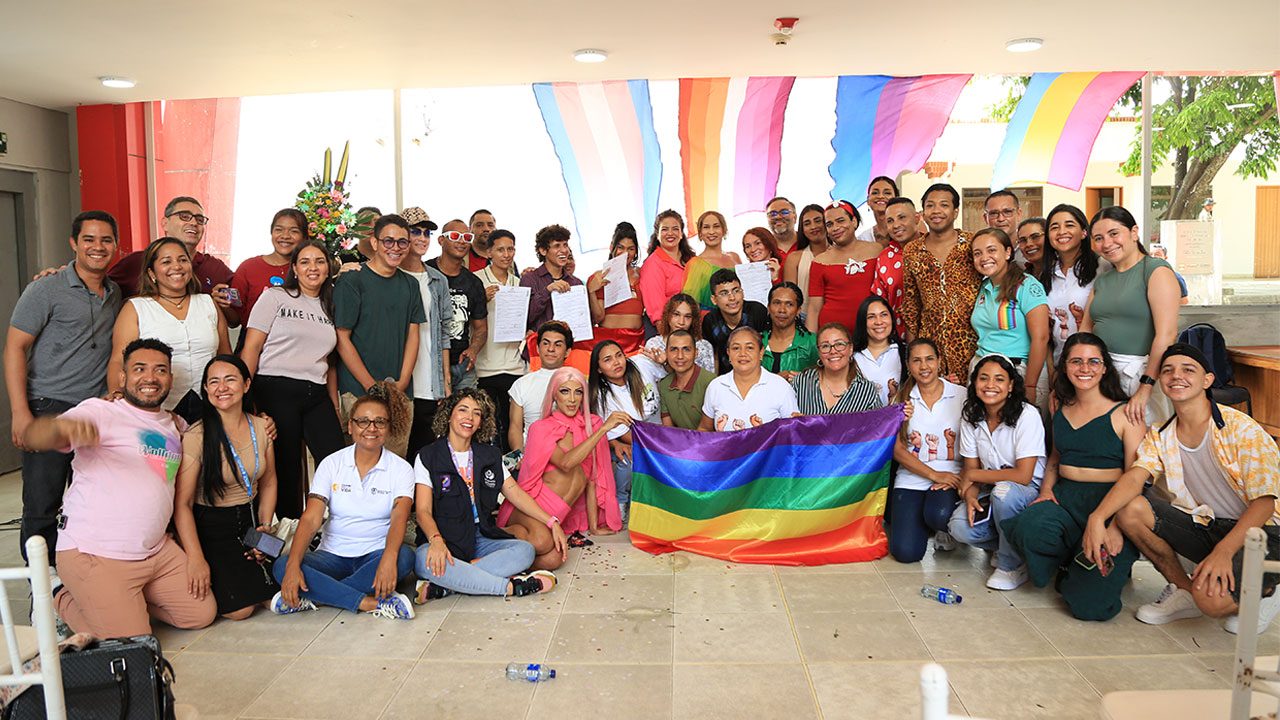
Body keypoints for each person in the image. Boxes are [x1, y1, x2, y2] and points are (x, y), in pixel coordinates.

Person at [24, 338, 216, 638]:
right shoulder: (100, 412)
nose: (150, 378)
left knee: (200, 613)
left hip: (155, 551)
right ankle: (58, 594)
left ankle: (122, 603)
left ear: (170, 379)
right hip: (96, 553)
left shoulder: (175, 423)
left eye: (160, 370)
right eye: (140, 369)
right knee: (134, 642)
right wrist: (60, 429)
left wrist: (263, 423)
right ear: (123, 377)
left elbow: (218, 433)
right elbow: (38, 436)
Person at [1082, 343, 1280, 635]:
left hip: (1264, 533)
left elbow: (1264, 503)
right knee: (1130, 509)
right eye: (1168, 370)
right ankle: (1185, 590)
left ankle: (1269, 591)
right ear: (1160, 381)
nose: (1177, 376)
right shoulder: (1160, 433)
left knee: (1212, 602)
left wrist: (1224, 552)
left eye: (1189, 369)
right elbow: (1136, 476)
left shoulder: (1241, 428)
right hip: (1208, 524)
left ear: (1207, 380)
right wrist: (1098, 517)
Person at [6, 211, 123, 563]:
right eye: (89, 239)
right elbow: (14, 348)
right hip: (48, 407)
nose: (97, 247)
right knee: (43, 505)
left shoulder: (115, 292)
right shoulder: (46, 288)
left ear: (116, 245)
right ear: (74, 243)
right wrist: (20, 413)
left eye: (106, 240)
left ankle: (78, 586)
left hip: (94, 413)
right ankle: (40, 594)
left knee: (91, 505)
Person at [1003, 333, 1145, 621]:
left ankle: (1084, 574)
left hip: (1109, 503)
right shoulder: (1060, 407)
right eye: (1076, 361)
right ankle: (1069, 561)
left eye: (1094, 361)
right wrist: (1045, 492)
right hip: (1067, 498)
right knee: (1029, 525)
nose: (1085, 368)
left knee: (1089, 608)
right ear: (1065, 366)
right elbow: (1055, 457)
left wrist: (1117, 525)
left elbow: (1136, 478)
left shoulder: (1126, 413)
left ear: (1105, 367)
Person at [271, 386, 417, 619]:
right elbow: (311, 518)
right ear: (350, 426)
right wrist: (292, 567)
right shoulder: (332, 463)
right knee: (282, 565)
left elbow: (400, 517)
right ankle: (370, 603)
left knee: (405, 558)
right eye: (363, 421)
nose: (371, 428)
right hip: (332, 555)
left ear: (388, 429)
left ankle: (316, 595)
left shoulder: (401, 469)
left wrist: (389, 558)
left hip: (375, 553)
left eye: (380, 422)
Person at [413, 389, 562, 601]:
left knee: (525, 551)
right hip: (444, 537)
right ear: (448, 415)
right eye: (463, 410)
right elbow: (423, 511)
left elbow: (516, 494)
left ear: (481, 422)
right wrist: (436, 540)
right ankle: (511, 587)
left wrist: (551, 521)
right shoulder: (428, 456)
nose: (469, 418)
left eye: (476, 413)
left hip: (480, 537)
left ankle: (450, 584)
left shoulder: (489, 455)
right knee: (421, 559)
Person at [241, 240, 345, 519]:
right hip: (275, 388)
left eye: (319, 261)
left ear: (328, 268)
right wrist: (243, 395)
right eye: (305, 261)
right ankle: (288, 535)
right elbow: (251, 347)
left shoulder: (332, 303)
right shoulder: (275, 297)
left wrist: (334, 404)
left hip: (317, 392)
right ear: (295, 269)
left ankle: (334, 528)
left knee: (335, 460)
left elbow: (331, 361)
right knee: (287, 468)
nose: (313, 267)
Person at [173, 356, 279, 620]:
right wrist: (196, 558)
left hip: (250, 521)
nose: (222, 387)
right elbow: (182, 505)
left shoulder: (262, 427)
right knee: (240, 611)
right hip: (211, 527)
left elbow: (269, 481)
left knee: (273, 595)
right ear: (206, 390)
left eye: (230, 379)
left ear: (246, 385)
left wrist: (264, 527)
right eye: (214, 382)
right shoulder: (197, 436)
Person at [499, 367, 630, 564]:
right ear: (554, 395)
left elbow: (592, 480)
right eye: (564, 391)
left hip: (558, 513)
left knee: (554, 559)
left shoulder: (592, 425)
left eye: (578, 392)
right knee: (541, 542)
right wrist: (603, 429)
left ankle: (507, 566)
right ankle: (489, 539)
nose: (572, 399)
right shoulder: (542, 428)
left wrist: (593, 526)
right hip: (533, 507)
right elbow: (566, 463)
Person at [946, 354, 1046, 590]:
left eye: (999, 379)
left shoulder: (1027, 415)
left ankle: (1012, 565)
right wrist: (970, 495)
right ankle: (1005, 547)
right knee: (959, 526)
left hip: (1027, 492)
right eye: (983, 378)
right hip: (992, 489)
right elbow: (971, 469)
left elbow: (1023, 476)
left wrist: (972, 477)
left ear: (1011, 385)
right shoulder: (971, 415)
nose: (990, 385)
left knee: (1004, 492)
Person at [109, 237, 231, 423]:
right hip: (156, 409)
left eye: (182, 260)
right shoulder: (136, 308)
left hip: (211, 407)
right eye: (166, 261)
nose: (177, 267)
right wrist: (117, 399)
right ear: (152, 273)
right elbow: (119, 359)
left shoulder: (208, 303)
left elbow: (225, 357)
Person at [333, 214, 426, 458]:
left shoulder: (410, 285)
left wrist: (403, 382)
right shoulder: (352, 281)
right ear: (374, 243)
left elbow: (413, 335)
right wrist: (370, 386)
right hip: (357, 390)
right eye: (388, 241)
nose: (396, 248)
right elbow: (342, 339)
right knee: (357, 468)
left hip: (399, 394)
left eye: (402, 242)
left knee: (394, 465)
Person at [1081, 205, 1180, 426]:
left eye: (1114, 233)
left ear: (1134, 233)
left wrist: (1146, 387)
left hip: (1142, 375)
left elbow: (1166, 335)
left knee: (1145, 447)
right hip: (1102, 376)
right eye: (1098, 238)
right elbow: (1085, 332)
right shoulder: (1103, 279)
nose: (1107, 243)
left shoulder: (1156, 271)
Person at [887, 339, 964, 563]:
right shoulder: (901, 400)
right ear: (908, 364)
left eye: (929, 359)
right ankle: (921, 521)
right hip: (911, 477)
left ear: (940, 361)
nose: (924, 366)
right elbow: (898, 450)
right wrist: (934, 475)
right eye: (916, 360)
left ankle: (943, 527)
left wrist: (956, 478)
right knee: (905, 553)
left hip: (951, 475)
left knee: (939, 515)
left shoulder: (961, 395)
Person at [900, 184, 980, 380]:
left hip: (972, 349)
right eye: (930, 205)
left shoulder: (972, 244)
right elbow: (911, 305)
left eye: (943, 205)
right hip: (930, 353)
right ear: (923, 213)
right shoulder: (912, 251)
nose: (936, 211)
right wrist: (913, 355)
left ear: (955, 212)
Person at [969, 228, 1050, 403]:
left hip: (1020, 372)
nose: (984, 257)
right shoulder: (983, 288)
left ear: (1007, 252)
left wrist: (1030, 385)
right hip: (983, 371)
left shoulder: (1027, 286)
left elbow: (1041, 338)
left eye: (991, 250)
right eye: (977, 253)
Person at [105, 196, 235, 305]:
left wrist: (220, 304)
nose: (194, 222)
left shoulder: (215, 268)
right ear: (164, 223)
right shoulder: (134, 262)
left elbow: (236, 318)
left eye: (200, 220)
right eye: (184, 216)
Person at [399, 208, 453, 456]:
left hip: (429, 381)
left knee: (421, 454)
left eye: (426, 233)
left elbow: (444, 332)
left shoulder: (438, 280)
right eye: (415, 231)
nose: (422, 238)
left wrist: (445, 381)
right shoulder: (390, 274)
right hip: (399, 378)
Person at [588, 340, 660, 522]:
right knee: (627, 460)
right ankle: (621, 500)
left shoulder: (641, 364)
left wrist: (663, 361)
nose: (616, 362)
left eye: (619, 355)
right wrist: (655, 448)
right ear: (598, 369)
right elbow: (624, 435)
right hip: (635, 440)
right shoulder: (602, 396)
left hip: (662, 433)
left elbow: (670, 373)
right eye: (608, 359)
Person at [806, 200, 902, 334]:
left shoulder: (876, 250)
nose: (835, 227)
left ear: (854, 222)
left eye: (840, 221)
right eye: (830, 224)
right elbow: (814, 309)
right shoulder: (820, 261)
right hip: (835, 339)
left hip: (875, 333)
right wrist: (811, 347)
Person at [1039, 204, 1099, 415]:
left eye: (1069, 225)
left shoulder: (1101, 269)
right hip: (1058, 364)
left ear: (1084, 232)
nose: (1061, 231)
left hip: (1090, 366)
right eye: (1054, 227)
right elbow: (1044, 328)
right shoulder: (1046, 275)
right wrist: (1052, 369)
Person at [475, 230, 525, 452]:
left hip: (514, 366)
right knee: (486, 427)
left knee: (511, 426)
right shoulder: (476, 280)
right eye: (500, 249)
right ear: (489, 252)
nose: (506, 254)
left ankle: (511, 472)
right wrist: (480, 299)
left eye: (510, 248)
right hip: (485, 367)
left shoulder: (520, 283)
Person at [427, 219, 488, 393]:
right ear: (441, 240)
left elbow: (481, 327)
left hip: (462, 366)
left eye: (467, 237)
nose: (462, 241)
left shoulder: (474, 283)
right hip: (430, 364)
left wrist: (473, 349)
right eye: (455, 236)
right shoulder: (426, 272)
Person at [700, 326, 799, 430]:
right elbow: (705, 430)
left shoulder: (781, 387)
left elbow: (793, 433)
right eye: (736, 348)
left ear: (761, 353)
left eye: (750, 348)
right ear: (728, 353)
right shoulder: (716, 386)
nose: (743, 354)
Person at [225, 208, 308, 328]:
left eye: (294, 231)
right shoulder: (248, 268)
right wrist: (223, 305)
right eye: (279, 230)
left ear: (304, 237)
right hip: (253, 342)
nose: (285, 236)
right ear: (271, 233)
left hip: (295, 343)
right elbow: (234, 321)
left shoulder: (309, 271)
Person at [790, 323, 882, 415]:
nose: (833, 351)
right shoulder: (801, 382)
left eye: (839, 344)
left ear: (850, 349)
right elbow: (786, 422)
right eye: (825, 346)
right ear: (819, 352)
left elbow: (879, 427)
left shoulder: (867, 392)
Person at [509, 322, 573, 452]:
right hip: (532, 455)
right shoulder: (521, 384)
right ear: (537, 348)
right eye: (545, 343)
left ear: (567, 351)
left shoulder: (578, 382)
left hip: (570, 455)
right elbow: (515, 427)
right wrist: (520, 455)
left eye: (558, 345)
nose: (551, 349)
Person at [585, 224, 645, 355]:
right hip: (607, 341)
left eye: (630, 249)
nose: (625, 253)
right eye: (620, 248)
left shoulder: (643, 274)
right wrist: (591, 291)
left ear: (636, 252)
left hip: (636, 342)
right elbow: (598, 318)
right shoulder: (599, 277)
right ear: (612, 247)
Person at [702, 269, 770, 375]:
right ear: (714, 300)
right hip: (726, 378)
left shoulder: (757, 312)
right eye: (724, 293)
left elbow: (768, 347)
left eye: (736, 291)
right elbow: (713, 355)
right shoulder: (710, 320)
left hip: (757, 374)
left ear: (742, 292)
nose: (732, 298)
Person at [521, 224, 582, 332]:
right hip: (538, 345)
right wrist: (547, 290)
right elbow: (524, 317)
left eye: (565, 245)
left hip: (569, 345)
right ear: (543, 251)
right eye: (557, 246)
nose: (564, 250)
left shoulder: (575, 282)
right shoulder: (530, 279)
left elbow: (582, 319)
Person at [639, 210, 695, 326]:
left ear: (681, 233)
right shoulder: (652, 264)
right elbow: (657, 313)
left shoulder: (692, 260)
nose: (670, 233)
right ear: (657, 235)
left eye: (675, 229)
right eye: (664, 229)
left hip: (694, 325)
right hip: (669, 330)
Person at [852, 295, 907, 407]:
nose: (879, 322)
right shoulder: (851, 356)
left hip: (896, 421)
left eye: (884, 315)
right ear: (862, 322)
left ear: (891, 318)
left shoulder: (904, 352)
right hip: (863, 421)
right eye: (871, 317)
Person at [682, 211, 741, 312]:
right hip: (711, 322)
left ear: (724, 230)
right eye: (706, 227)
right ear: (700, 233)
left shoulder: (734, 257)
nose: (711, 231)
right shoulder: (695, 263)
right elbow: (690, 304)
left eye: (716, 226)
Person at [658, 330, 714, 431]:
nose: (680, 356)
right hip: (680, 443)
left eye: (686, 349)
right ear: (666, 353)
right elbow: (669, 430)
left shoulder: (711, 383)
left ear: (696, 353)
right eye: (674, 349)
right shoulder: (664, 385)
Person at [761, 282, 816, 382]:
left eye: (789, 304)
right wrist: (775, 381)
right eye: (777, 303)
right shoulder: (755, 343)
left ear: (798, 310)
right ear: (768, 307)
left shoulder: (813, 343)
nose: (782, 309)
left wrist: (803, 381)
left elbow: (828, 380)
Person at [782, 204, 829, 299]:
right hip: (804, 312)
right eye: (807, 224)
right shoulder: (794, 258)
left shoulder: (840, 253)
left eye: (818, 221)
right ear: (802, 229)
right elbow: (790, 295)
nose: (813, 227)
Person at [859, 176, 900, 247]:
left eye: (887, 193)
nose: (880, 196)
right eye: (875, 193)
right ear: (868, 200)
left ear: (897, 198)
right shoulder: (863, 238)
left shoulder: (910, 228)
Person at [765, 196, 801, 264]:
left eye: (784, 212)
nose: (778, 217)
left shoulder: (807, 242)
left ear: (795, 218)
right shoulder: (762, 248)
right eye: (772, 214)